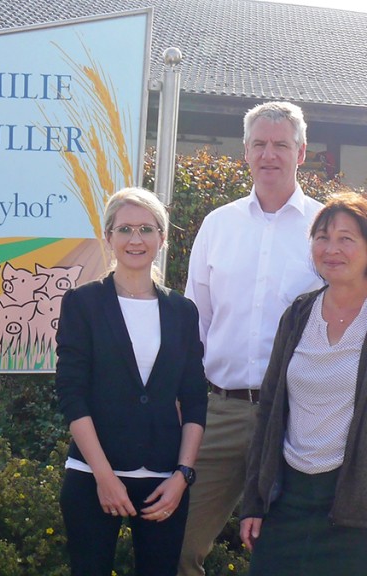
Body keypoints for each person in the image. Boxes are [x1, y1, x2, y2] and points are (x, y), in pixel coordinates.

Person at [178, 101, 323, 576]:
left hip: (296, 417)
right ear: (245, 152)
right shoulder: (218, 226)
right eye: (259, 144)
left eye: (281, 144)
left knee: (285, 557)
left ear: (301, 153)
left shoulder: (326, 231)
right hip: (219, 413)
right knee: (176, 546)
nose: (269, 154)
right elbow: (193, 324)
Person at [55, 187, 207, 576]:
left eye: (146, 229)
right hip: (92, 476)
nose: (135, 239)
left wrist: (182, 476)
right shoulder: (83, 304)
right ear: (108, 238)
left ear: (162, 238)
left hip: (163, 483)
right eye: (124, 229)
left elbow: (194, 400)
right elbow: (72, 395)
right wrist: (105, 477)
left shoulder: (182, 311)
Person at [240, 193, 367, 575]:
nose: (332, 249)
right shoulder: (297, 314)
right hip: (287, 498)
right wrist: (254, 502)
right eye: (322, 237)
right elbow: (269, 411)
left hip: (353, 507)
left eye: (347, 238)